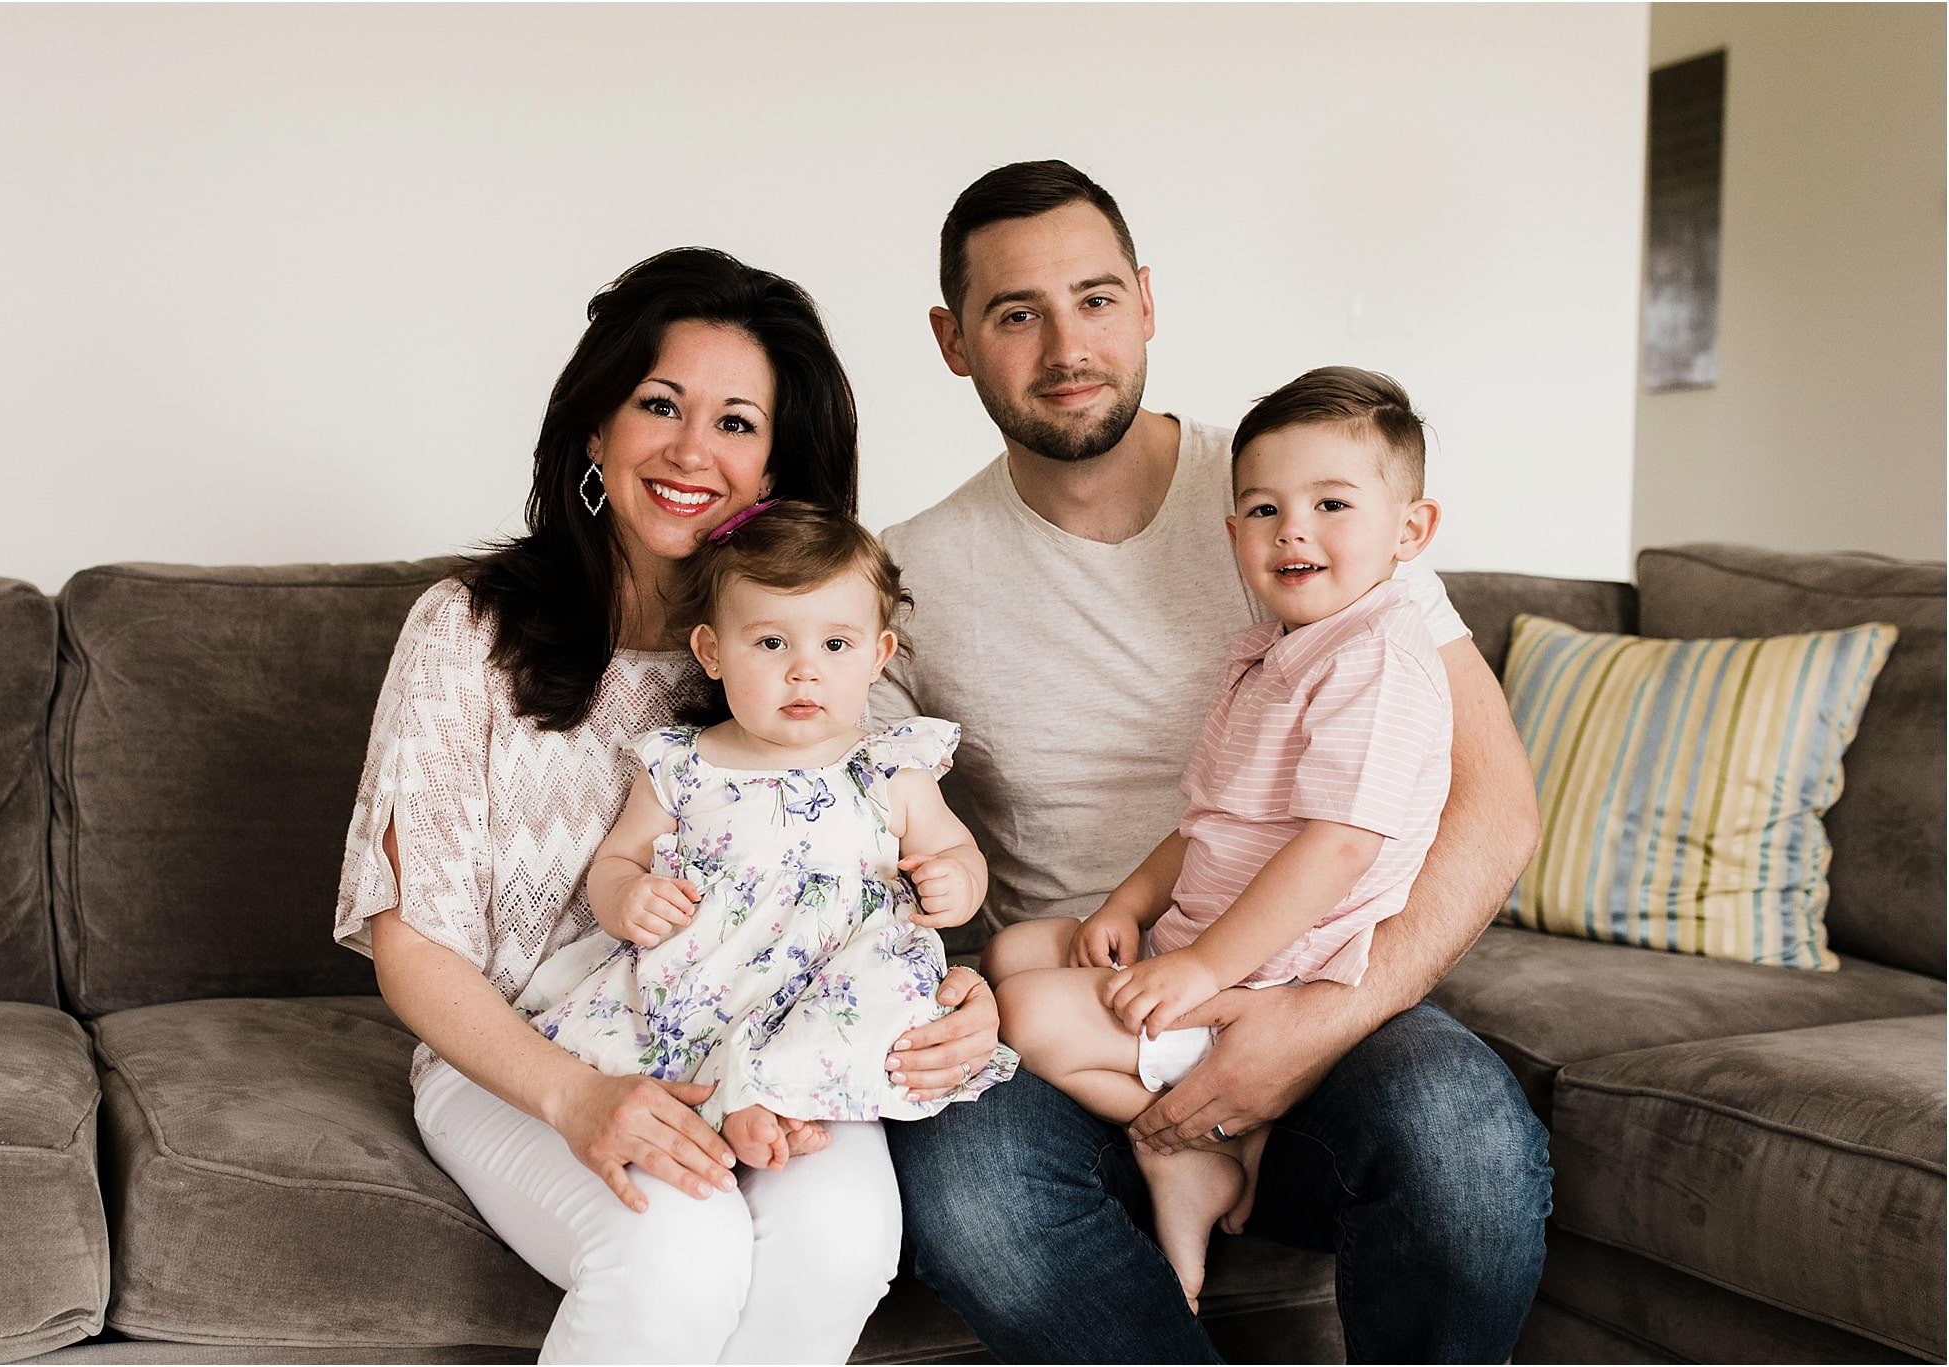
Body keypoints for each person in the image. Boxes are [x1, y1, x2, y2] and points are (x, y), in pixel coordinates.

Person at [873, 161, 1552, 1362]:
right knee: (971, 1196)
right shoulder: (906, 576)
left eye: (1092, 298)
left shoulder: (1307, 487)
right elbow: (854, 825)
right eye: (1014, 313)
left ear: (1143, 300)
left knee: (1460, 1137)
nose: (1065, 344)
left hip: (1311, 975)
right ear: (952, 340)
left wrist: (1319, 1016)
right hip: (1093, 1014)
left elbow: (1494, 806)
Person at [331, 247, 1004, 1364]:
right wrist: (576, 1097)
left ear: (777, 465)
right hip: (525, 1054)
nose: (694, 451)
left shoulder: (814, 656)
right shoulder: (464, 632)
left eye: (737, 422)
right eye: (659, 405)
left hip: (773, 1038)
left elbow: (895, 879)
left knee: (842, 1239)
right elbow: (413, 942)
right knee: (680, 1246)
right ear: (594, 430)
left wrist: (960, 995)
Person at [987, 366, 1453, 1312]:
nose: (1294, 530)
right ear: (1232, 531)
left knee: (1024, 1017)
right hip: (1210, 941)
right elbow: (1209, 820)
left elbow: (1337, 849)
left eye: (1332, 503)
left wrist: (1198, 970)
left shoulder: (1378, 660)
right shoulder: (1274, 651)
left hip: (1268, 983)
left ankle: (1189, 1140)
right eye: (1264, 508)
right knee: (1015, 944)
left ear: (1410, 531)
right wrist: (1128, 903)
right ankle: (1191, 1140)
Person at [512, 499, 1016, 1173]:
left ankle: (774, 1097)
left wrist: (957, 882)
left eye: (834, 644)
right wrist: (628, 893)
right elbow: (618, 858)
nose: (803, 669)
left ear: (878, 655)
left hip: (838, 965)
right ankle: (735, 1099)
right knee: (650, 1025)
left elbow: (959, 851)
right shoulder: (681, 762)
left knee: (880, 997)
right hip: (711, 970)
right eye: (772, 642)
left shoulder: (892, 765)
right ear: (712, 651)